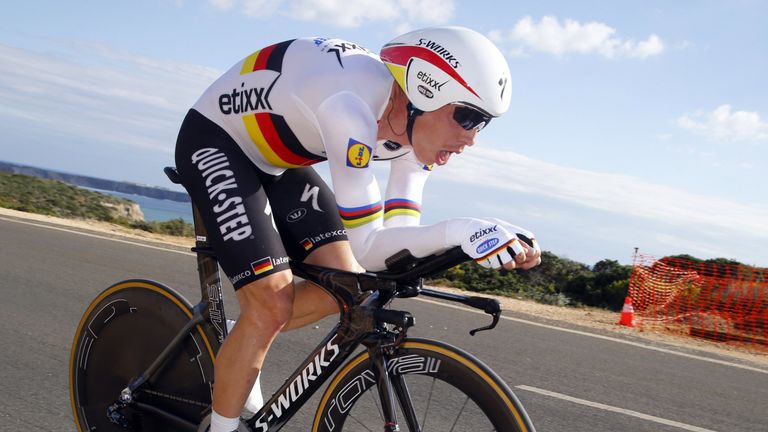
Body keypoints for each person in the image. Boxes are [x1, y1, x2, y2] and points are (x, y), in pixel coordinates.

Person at [174, 25, 542, 432]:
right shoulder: (350, 108)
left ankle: (238, 337)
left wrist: (479, 235)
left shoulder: (411, 131)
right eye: (468, 116)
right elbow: (368, 246)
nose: (472, 138)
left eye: (483, 123)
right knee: (270, 304)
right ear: (426, 90)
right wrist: (461, 230)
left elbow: (397, 242)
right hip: (216, 142)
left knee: (352, 286)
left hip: (281, 160)